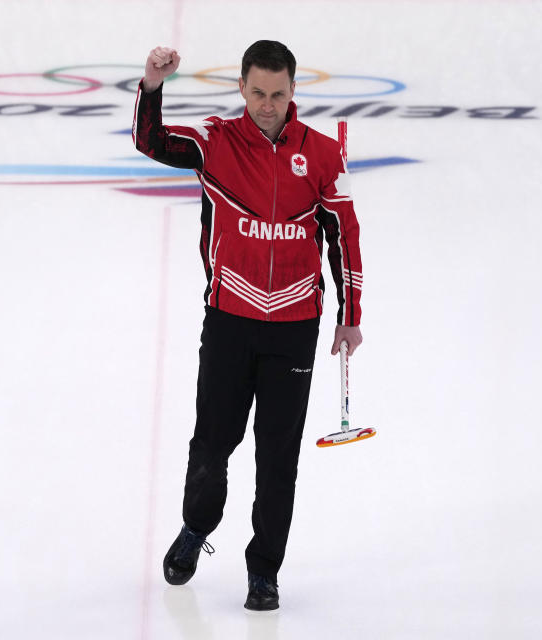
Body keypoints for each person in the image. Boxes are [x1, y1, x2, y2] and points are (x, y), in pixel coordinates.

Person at [133, 40, 363, 611]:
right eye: (257, 93)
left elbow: (345, 235)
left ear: (293, 92)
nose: (267, 104)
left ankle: (264, 571)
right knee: (213, 443)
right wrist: (153, 86)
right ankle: (196, 528)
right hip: (230, 320)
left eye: (278, 94)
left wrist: (349, 316)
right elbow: (150, 141)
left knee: (277, 458)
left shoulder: (324, 154)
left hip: (295, 326)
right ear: (241, 88)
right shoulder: (215, 142)